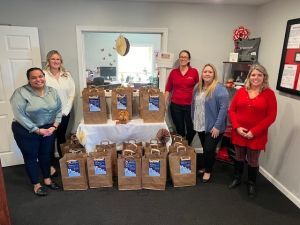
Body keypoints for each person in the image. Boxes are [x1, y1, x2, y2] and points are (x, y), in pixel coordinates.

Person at [10, 67, 62, 196]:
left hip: (48, 129)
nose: (38, 80)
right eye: (34, 77)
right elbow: (19, 115)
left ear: (44, 77)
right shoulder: (20, 93)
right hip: (26, 130)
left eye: (40, 76)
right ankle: (36, 184)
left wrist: (54, 126)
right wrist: (37, 130)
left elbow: (59, 109)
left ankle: (47, 180)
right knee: (31, 157)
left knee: (45, 155)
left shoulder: (52, 91)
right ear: (29, 80)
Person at [228, 64, 277, 197]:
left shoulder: (269, 94)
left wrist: (253, 131)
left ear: (264, 77)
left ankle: (251, 183)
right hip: (239, 132)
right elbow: (232, 110)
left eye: (259, 75)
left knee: (253, 161)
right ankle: (237, 178)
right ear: (249, 77)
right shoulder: (241, 91)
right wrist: (237, 127)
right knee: (238, 157)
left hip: (257, 135)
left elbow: (271, 117)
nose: (256, 77)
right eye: (253, 75)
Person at [191, 63, 229, 182]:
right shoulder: (198, 87)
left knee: (208, 149)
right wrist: (193, 119)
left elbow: (223, 109)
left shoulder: (219, 89)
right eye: (205, 72)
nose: (207, 74)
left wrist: (217, 126)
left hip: (214, 126)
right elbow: (194, 104)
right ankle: (208, 166)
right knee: (205, 148)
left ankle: (208, 171)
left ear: (214, 74)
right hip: (200, 124)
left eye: (210, 72)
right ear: (202, 74)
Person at [43, 50, 75, 177]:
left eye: (58, 59)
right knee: (49, 139)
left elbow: (72, 93)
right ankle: (49, 165)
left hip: (65, 113)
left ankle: (64, 162)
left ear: (61, 61)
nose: (56, 61)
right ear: (48, 61)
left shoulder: (66, 75)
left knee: (61, 137)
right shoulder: (43, 75)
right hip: (49, 114)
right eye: (53, 59)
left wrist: (66, 110)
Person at [165, 50, 199, 145]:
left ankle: (187, 144)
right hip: (176, 106)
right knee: (180, 129)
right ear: (179, 59)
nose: (183, 58)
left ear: (189, 60)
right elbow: (168, 89)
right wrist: (164, 103)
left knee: (192, 129)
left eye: (185, 57)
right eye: (181, 57)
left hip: (190, 106)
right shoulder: (174, 73)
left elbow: (198, 89)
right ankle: (182, 148)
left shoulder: (194, 72)